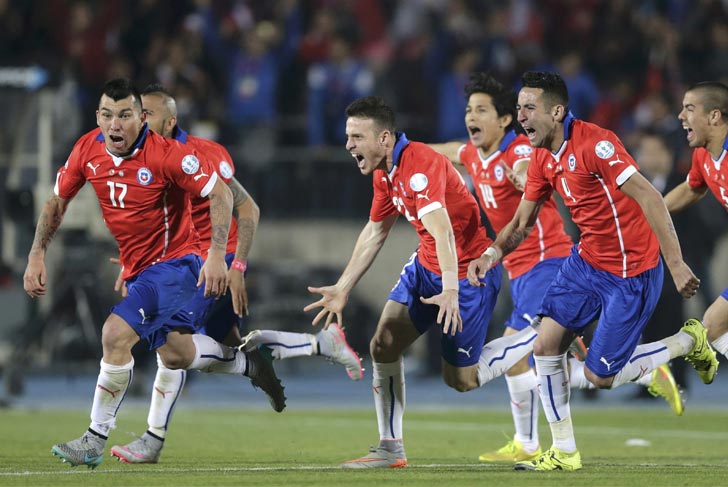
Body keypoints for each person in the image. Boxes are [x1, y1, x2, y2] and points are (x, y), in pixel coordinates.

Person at [22, 78, 286, 470]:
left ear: (141, 117)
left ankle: (95, 438)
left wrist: (217, 256)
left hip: (176, 266)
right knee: (176, 354)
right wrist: (36, 255)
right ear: (98, 116)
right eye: (107, 115)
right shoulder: (86, 149)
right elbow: (57, 202)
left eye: (125, 115)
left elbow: (223, 194)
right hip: (140, 269)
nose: (115, 125)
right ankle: (251, 363)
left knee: (114, 334)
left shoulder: (167, 155)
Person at [467, 71, 718, 472]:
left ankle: (687, 342)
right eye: (518, 109)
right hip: (586, 263)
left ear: (557, 111)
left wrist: (675, 263)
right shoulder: (541, 159)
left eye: (529, 108)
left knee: (600, 376)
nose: (521, 117)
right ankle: (564, 451)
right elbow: (521, 222)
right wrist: (492, 254)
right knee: (544, 346)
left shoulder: (596, 144)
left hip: (632, 269)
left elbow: (650, 196)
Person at [108, 84, 363, 465]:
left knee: (171, 345)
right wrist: (135, 263)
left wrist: (236, 266)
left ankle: (153, 440)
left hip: (211, 266)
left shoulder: (200, 155)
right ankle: (321, 344)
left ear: (170, 120)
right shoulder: (141, 161)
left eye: (149, 114)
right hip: (181, 267)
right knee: (230, 349)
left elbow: (248, 209)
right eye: (138, 113)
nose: (140, 120)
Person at [305, 96, 545, 469]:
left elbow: (444, 230)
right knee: (382, 344)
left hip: (467, 274)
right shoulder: (385, 172)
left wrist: (450, 289)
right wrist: (343, 286)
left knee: (461, 381)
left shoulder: (419, 166)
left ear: (384, 138)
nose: (349, 144)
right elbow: (375, 231)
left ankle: (542, 335)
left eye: (356, 136)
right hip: (425, 266)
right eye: (347, 136)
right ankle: (390, 448)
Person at [664, 80, 728, 375]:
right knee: (714, 327)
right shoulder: (703, 156)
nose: (681, 116)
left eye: (690, 108)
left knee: (713, 322)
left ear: (715, 116)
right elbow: (692, 189)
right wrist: (648, 214)